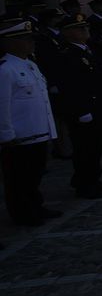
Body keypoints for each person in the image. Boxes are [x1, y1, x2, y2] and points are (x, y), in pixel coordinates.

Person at [0, 16, 61, 225]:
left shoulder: (31, 65)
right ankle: (22, 213)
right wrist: (6, 134)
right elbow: (3, 104)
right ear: (11, 42)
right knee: (18, 178)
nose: (31, 43)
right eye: (26, 39)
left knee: (34, 174)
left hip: (37, 131)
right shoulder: (5, 69)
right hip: (19, 134)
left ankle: (36, 206)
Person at [53, 13, 102, 198]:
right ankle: (84, 184)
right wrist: (81, 110)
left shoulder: (86, 50)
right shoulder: (67, 54)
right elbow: (71, 86)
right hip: (85, 110)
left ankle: (93, 179)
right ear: (68, 32)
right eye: (80, 28)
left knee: (95, 147)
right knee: (84, 149)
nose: (85, 31)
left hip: (97, 107)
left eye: (85, 27)